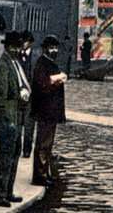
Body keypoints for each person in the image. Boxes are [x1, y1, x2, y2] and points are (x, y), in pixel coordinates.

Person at [0, 31, 30, 208]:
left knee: (14, 154)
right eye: (14, 47)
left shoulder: (14, 63)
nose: (17, 50)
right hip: (9, 118)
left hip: (16, 115)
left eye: (18, 46)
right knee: (5, 156)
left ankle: (8, 191)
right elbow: (0, 96)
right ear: (8, 47)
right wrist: (5, 119)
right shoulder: (4, 65)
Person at [31, 35, 67, 186]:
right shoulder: (42, 64)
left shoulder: (48, 63)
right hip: (45, 110)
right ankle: (40, 175)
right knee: (43, 143)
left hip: (50, 111)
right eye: (51, 48)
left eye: (55, 48)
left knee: (47, 143)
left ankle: (44, 172)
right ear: (45, 49)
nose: (54, 50)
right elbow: (42, 86)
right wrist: (57, 81)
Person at [20, 31, 36, 159]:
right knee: (17, 124)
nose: (23, 44)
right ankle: (17, 148)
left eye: (25, 41)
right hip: (18, 96)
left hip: (31, 96)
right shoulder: (16, 56)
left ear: (30, 43)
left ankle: (26, 150)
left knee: (29, 125)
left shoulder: (36, 57)